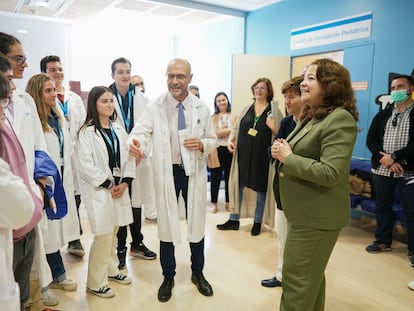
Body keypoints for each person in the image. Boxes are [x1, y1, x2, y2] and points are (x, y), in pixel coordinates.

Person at [272, 58, 358, 311]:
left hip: (317, 218)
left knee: (296, 283)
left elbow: (331, 172)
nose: (303, 84)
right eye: (304, 77)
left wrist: (288, 158)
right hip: (303, 213)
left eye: (311, 78)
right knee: (308, 281)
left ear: (330, 85)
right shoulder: (314, 116)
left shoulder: (339, 119)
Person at [128, 58, 216, 302]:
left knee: (196, 221)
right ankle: (168, 276)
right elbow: (140, 133)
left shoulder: (201, 108)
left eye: (180, 76)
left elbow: (211, 139)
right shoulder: (155, 106)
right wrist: (134, 145)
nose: (174, 81)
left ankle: (198, 273)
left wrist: (202, 144)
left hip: (193, 173)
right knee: (166, 223)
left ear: (190, 78)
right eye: (170, 76)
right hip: (167, 171)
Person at [0, 33, 60, 308]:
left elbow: (38, 148)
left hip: (29, 198)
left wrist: (42, 186)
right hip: (10, 207)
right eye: (18, 58)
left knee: (26, 271)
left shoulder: (24, 101)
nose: (24, 64)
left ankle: (31, 300)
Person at [76, 86, 135, 298]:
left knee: (113, 234)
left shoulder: (118, 129)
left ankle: (111, 270)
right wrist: (109, 184)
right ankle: (94, 282)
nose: (109, 105)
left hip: (119, 189)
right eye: (104, 101)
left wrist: (125, 182)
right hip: (100, 191)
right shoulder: (87, 132)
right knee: (102, 236)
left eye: (111, 101)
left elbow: (129, 157)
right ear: (94, 104)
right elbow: (85, 165)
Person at [26, 73, 79, 295]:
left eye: (53, 90)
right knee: (45, 235)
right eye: (47, 91)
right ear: (37, 95)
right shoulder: (33, 122)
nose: (53, 94)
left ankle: (58, 275)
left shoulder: (58, 117)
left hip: (61, 180)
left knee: (55, 233)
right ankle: (45, 284)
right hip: (44, 184)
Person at [109, 57, 156, 270]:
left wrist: (140, 150)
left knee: (136, 202)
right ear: (113, 75)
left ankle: (136, 243)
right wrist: (126, 150)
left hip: (138, 156)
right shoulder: (106, 96)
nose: (125, 75)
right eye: (120, 72)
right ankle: (120, 248)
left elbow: (149, 127)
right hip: (117, 158)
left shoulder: (142, 98)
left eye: (128, 71)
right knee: (120, 203)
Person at [217, 77, 278, 236]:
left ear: (268, 91)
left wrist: (274, 129)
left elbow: (281, 135)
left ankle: (257, 222)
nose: (258, 90)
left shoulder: (273, 111)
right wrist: (231, 140)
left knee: (261, 189)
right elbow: (235, 129)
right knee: (237, 184)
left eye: (262, 88)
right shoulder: (246, 109)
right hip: (243, 155)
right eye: (256, 87)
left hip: (262, 157)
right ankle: (233, 219)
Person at [0, 72, 40, 311]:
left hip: (25, 224)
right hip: (13, 224)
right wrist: (34, 197)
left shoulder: (13, 115)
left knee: (23, 288)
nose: (13, 85)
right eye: (7, 77)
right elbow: (18, 206)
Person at [40, 55, 87, 257]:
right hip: (55, 154)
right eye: (53, 70)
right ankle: (56, 242)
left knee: (74, 194)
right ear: (44, 73)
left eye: (60, 69)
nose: (58, 73)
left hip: (74, 153)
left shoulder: (74, 98)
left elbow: (83, 123)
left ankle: (74, 239)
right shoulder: (42, 100)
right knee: (58, 194)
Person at [365, 74, 414, 264]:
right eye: (392, 88)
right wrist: (386, 159)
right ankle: (383, 241)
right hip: (383, 169)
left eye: (400, 87)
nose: (395, 91)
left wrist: (395, 156)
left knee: (411, 211)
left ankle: (412, 250)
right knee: (382, 207)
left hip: (408, 171)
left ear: (410, 89)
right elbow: (371, 140)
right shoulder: (384, 113)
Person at [262, 75, 304, 288]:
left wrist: (285, 153)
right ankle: (281, 276)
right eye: (285, 97)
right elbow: (273, 150)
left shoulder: (312, 124)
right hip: (283, 190)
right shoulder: (287, 122)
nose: (287, 102)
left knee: (299, 243)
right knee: (282, 238)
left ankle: (295, 279)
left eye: (292, 97)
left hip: (302, 192)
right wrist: (277, 151)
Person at [209, 91, 237, 213]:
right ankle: (214, 203)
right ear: (216, 103)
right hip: (217, 149)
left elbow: (236, 132)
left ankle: (228, 202)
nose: (221, 102)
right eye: (219, 100)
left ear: (227, 101)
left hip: (230, 148)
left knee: (229, 177)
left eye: (223, 100)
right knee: (215, 177)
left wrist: (223, 131)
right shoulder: (213, 117)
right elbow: (215, 133)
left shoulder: (234, 116)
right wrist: (230, 130)